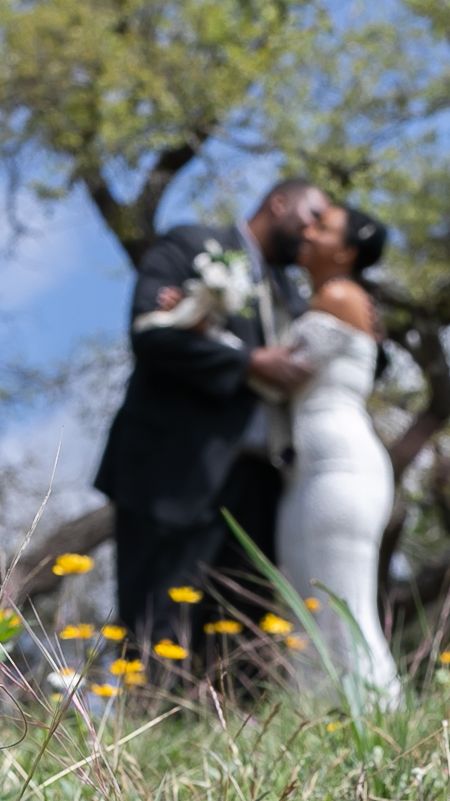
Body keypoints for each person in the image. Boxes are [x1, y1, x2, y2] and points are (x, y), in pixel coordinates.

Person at [93, 179, 327, 645]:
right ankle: (149, 717)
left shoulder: (289, 294)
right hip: (172, 470)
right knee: (157, 621)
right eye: (313, 216)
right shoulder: (191, 245)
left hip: (258, 484)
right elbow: (150, 331)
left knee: (241, 630)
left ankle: (233, 718)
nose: (316, 233)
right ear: (279, 203)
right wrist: (249, 363)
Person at [274, 203, 401, 703]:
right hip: (310, 471)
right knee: (308, 612)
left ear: (346, 252)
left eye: (321, 227)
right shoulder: (327, 298)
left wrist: (201, 331)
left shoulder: (339, 294)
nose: (307, 231)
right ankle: (319, 721)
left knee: (343, 606)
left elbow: (282, 373)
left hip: (341, 465)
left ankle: (385, 724)